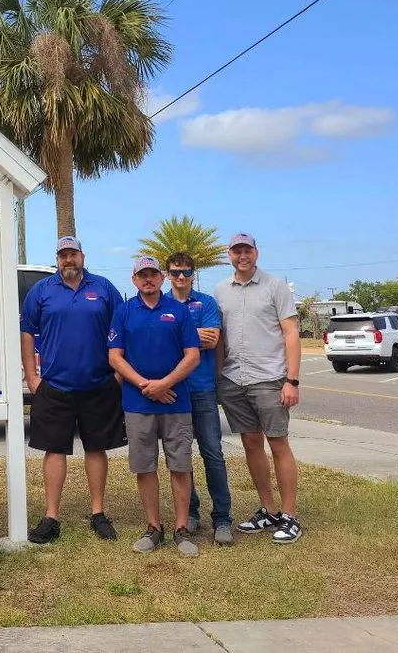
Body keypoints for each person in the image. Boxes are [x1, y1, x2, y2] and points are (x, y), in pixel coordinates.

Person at [21, 236, 127, 544]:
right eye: (63, 255)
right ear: (57, 258)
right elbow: (27, 332)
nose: (68, 259)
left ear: (82, 256)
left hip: (99, 384)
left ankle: (98, 514)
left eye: (73, 254)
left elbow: (120, 332)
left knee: (96, 448)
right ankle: (51, 517)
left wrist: (117, 376)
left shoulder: (104, 288)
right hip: (54, 385)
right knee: (55, 450)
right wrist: (31, 376)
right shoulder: (41, 291)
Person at [108, 256, 201, 556]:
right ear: (134, 279)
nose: (148, 280)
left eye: (152, 275)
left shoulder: (179, 311)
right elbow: (115, 357)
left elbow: (192, 356)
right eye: (142, 275)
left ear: (161, 278)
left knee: (180, 465)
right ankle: (153, 527)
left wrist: (164, 385)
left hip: (177, 402)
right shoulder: (123, 312)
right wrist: (146, 386)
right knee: (145, 466)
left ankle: (182, 529)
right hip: (137, 403)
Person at [214, 233, 303, 544]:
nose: (242, 256)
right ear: (230, 254)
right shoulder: (220, 291)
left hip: (269, 378)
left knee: (278, 444)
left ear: (256, 252)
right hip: (234, 380)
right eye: (237, 251)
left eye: (247, 250)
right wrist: (217, 378)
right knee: (251, 443)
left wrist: (291, 380)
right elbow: (219, 341)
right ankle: (268, 509)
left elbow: (291, 333)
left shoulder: (275, 286)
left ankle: (290, 516)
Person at [166, 252, 234, 545]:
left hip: (203, 389)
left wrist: (174, 335)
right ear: (167, 274)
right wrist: (193, 337)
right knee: (180, 458)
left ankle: (222, 518)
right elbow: (160, 340)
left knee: (213, 454)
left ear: (194, 274)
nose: (181, 277)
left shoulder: (205, 303)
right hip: (173, 392)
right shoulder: (161, 302)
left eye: (186, 272)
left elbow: (213, 340)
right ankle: (190, 512)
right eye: (175, 272)